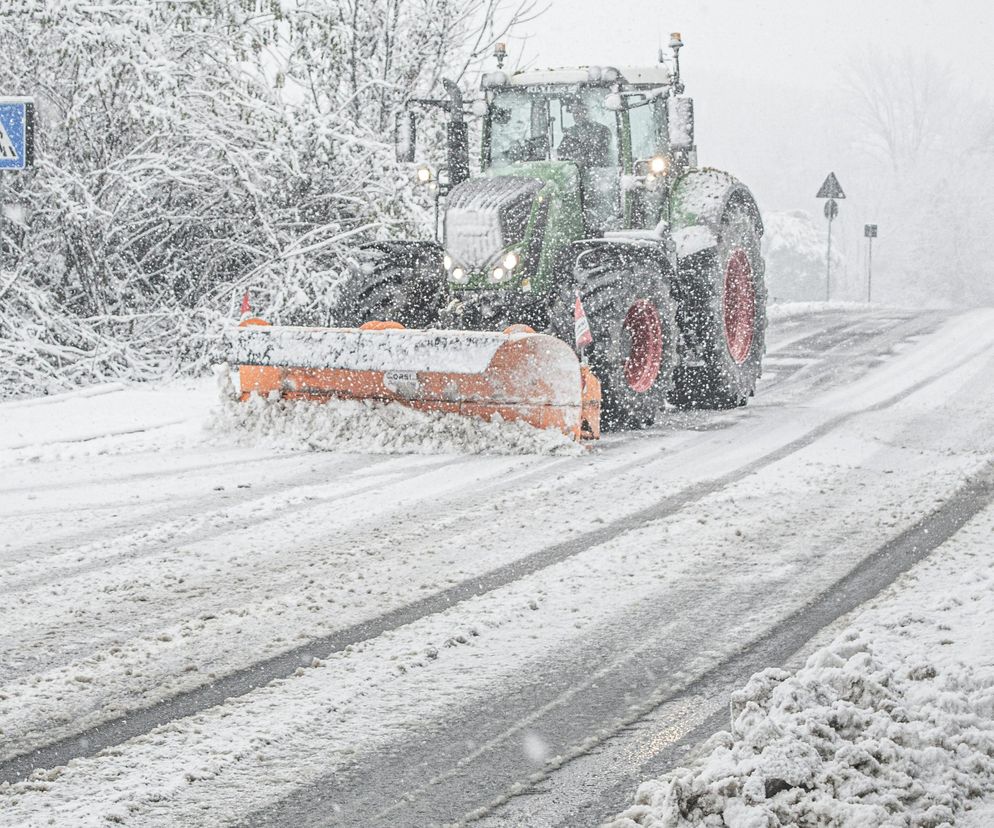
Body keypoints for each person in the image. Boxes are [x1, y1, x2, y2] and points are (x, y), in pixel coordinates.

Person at [557, 99, 612, 166]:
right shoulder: (571, 132)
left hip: (597, 171)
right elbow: (561, 153)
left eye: (578, 112)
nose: (575, 115)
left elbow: (602, 153)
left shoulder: (602, 130)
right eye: (574, 113)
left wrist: (583, 158)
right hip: (575, 171)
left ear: (587, 112)